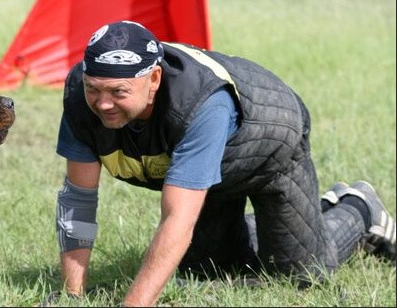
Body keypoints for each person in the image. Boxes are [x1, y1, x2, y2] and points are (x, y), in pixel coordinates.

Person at [53, 20, 396, 307]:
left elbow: (177, 218)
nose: (103, 103)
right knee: (207, 269)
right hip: (210, 174)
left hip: (270, 145)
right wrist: (72, 294)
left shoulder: (200, 105)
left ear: (153, 80)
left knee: (301, 274)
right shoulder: (81, 100)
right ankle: (290, 219)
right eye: (94, 88)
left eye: (117, 92)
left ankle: (359, 207)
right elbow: (79, 201)